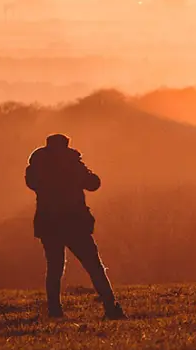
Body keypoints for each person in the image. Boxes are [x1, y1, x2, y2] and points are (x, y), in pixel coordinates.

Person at [25, 133, 126, 320]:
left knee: (54, 268)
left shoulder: (37, 165)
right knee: (94, 266)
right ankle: (110, 307)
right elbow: (93, 184)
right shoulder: (72, 163)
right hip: (74, 222)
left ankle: (55, 311)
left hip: (48, 224)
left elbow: (32, 184)